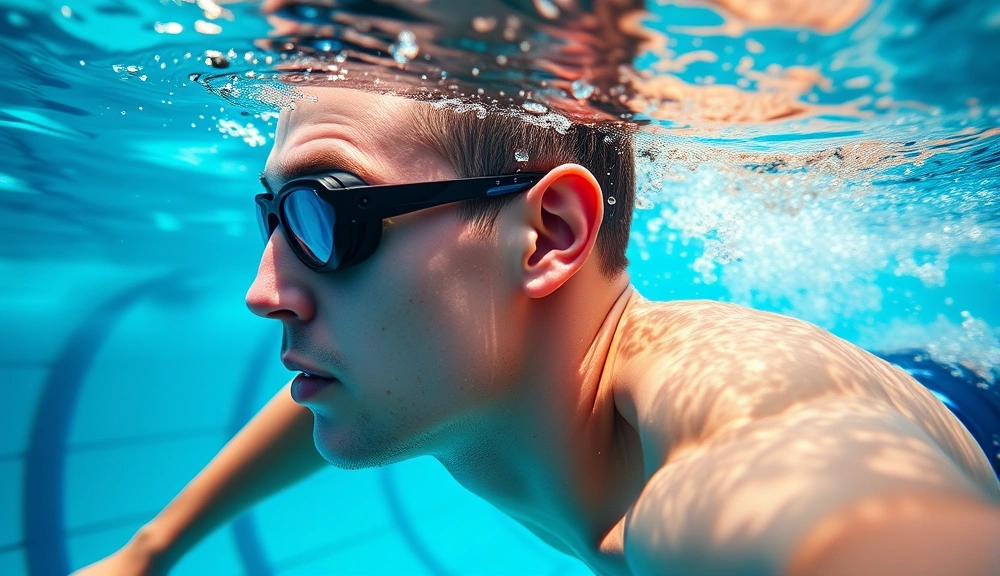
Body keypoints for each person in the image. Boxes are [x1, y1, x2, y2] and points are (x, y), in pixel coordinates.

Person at [75, 86, 1000, 576]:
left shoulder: (737, 423)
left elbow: (854, 517)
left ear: (548, 237)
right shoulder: (436, 375)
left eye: (327, 215)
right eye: (273, 217)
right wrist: (147, 553)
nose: (264, 290)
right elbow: (317, 396)